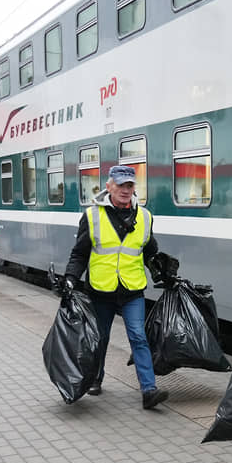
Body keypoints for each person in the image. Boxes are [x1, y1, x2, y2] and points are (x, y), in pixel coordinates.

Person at [64, 165, 170, 410]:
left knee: (138, 336)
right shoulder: (91, 216)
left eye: (129, 185)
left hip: (132, 289)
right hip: (101, 289)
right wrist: (70, 277)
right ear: (109, 186)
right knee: (100, 338)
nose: (125, 190)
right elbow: (79, 253)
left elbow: (149, 250)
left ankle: (148, 390)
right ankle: (95, 379)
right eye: (120, 185)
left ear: (134, 188)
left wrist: (165, 272)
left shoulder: (144, 216)